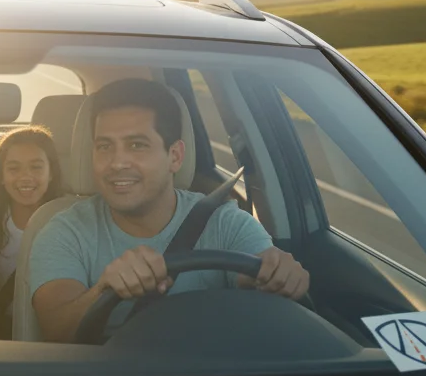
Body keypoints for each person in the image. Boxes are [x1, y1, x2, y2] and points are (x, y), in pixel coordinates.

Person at [29, 78, 309, 343]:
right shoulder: (63, 231)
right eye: (104, 146)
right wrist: (102, 290)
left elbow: (265, 281)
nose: (116, 163)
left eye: (136, 145)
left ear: (174, 156)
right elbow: (56, 331)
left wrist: (277, 276)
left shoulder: (227, 223)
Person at [0, 126, 65, 334]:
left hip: (54, 326)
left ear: (51, 173)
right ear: (1, 177)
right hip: (3, 325)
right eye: (14, 169)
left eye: (36, 167)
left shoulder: (68, 222)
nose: (25, 177)